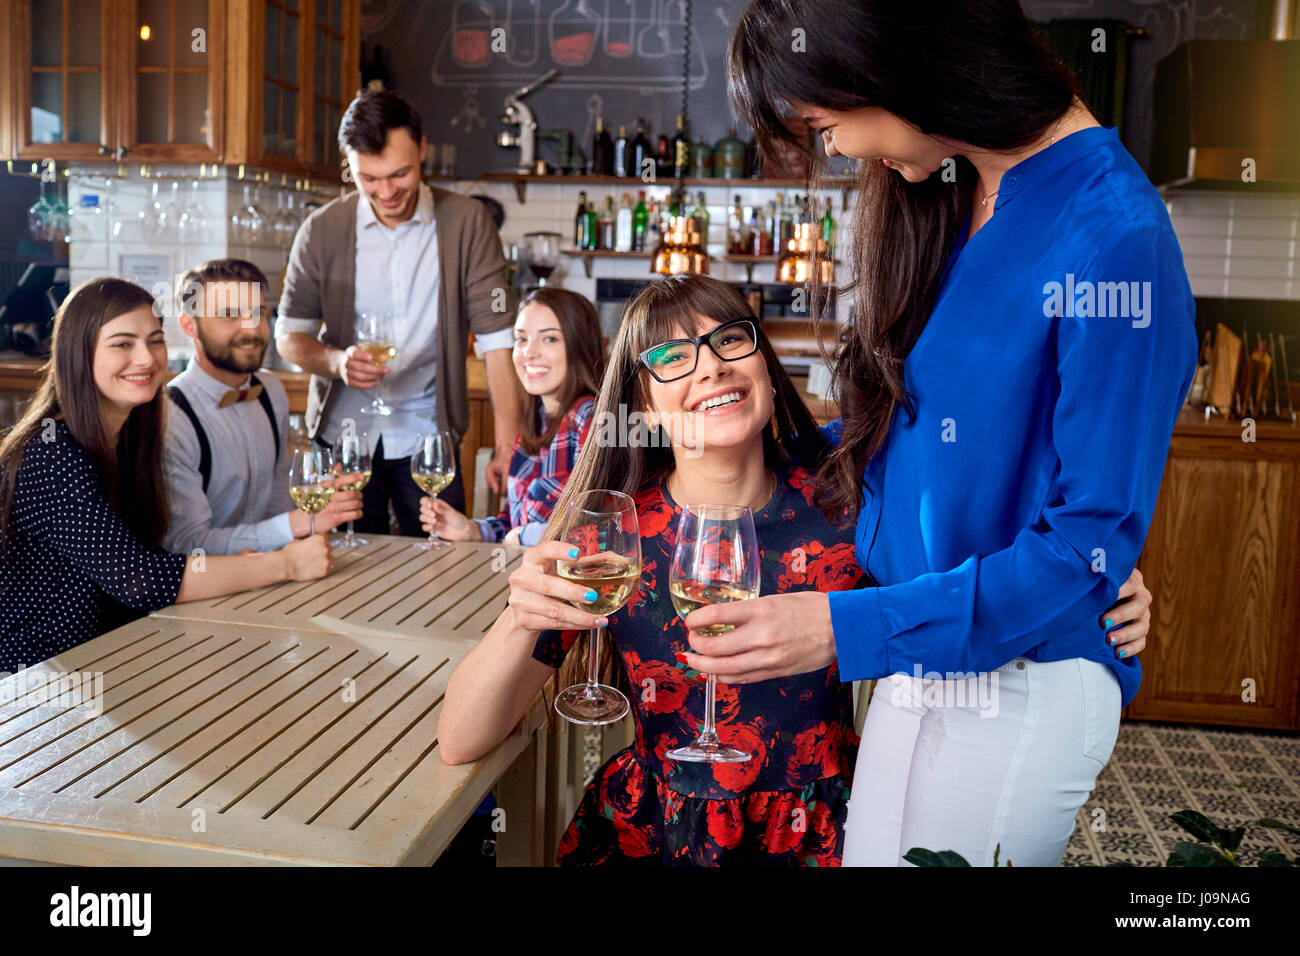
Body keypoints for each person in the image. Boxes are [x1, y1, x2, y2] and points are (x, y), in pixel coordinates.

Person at [435, 275, 1154, 866]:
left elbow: (983, 571)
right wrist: (520, 616)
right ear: (644, 411)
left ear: (767, 375)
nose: (711, 365)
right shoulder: (616, 540)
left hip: (832, 831)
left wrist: (1095, 580)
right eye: (672, 358)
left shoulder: (850, 507)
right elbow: (462, 738)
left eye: (729, 340)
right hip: (653, 835)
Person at [709, 0, 1197, 866]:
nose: (839, 150)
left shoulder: (1116, 238)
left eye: (826, 125)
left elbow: (1082, 543)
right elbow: (917, 436)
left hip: (1025, 679)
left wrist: (842, 629)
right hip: (921, 659)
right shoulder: (957, 190)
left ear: (893, 69)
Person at [0, 278, 333, 673]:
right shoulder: (51, 452)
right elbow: (139, 579)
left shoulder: (132, 438)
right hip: (38, 684)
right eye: (123, 343)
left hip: (117, 657)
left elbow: (160, 556)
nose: (146, 358)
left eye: (155, 340)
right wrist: (284, 564)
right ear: (79, 354)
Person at [276, 88, 521, 535]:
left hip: (429, 441)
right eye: (368, 178)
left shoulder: (467, 223)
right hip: (344, 441)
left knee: (441, 577)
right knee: (342, 578)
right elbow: (289, 336)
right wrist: (336, 361)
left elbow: (498, 341)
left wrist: (508, 446)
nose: (386, 192)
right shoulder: (321, 230)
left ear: (423, 149)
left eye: (400, 174)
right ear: (349, 164)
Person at [162, 259, 363, 556]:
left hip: (269, 574)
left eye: (258, 313)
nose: (251, 329)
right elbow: (188, 545)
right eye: (229, 315)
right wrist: (296, 524)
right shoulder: (171, 416)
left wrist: (313, 500)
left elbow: (278, 498)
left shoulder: (270, 390)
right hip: (200, 591)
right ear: (189, 326)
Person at [418, 288, 603, 548]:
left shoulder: (592, 419)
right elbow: (514, 523)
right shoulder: (536, 419)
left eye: (549, 339)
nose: (529, 352)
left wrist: (520, 537)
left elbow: (596, 530)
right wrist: (472, 530)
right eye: (521, 339)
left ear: (579, 346)